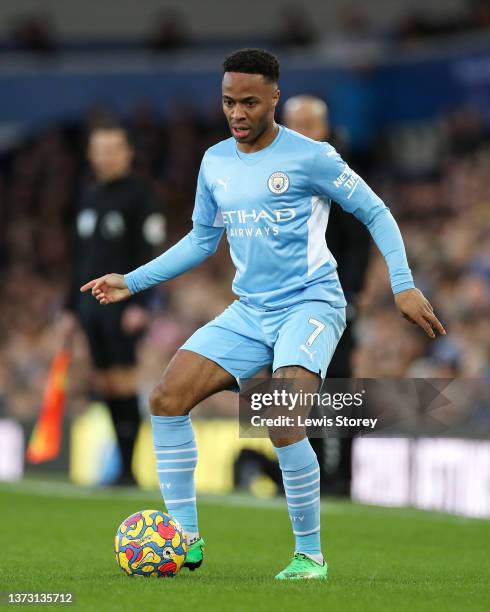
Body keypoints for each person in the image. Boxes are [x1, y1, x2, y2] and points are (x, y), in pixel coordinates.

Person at [81, 49, 445, 580]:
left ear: (275, 97)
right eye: (229, 102)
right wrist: (131, 281)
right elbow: (202, 240)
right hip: (250, 310)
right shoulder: (215, 162)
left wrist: (403, 284)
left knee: (279, 418)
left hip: (311, 303)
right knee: (166, 397)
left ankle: (309, 555)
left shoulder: (311, 156)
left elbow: (375, 210)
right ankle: (185, 540)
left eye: (249, 102)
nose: (237, 113)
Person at [62, 123, 166, 486]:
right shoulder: (88, 196)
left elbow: (149, 252)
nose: (106, 156)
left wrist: (144, 302)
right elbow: (79, 258)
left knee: (123, 379)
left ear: (127, 153)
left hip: (125, 302)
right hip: (90, 306)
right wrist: (69, 308)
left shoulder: (141, 195)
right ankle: (122, 464)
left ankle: (128, 467)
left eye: (113, 149)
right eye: (100, 150)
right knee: (104, 381)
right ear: (91, 155)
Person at [283, 95, 371, 493]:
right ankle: (307, 472)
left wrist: (350, 293)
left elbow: (358, 241)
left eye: (307, 124)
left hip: (332, 299)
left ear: (324, 127)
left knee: (336, 387)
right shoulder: (275, 172)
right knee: (294, 385)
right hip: (285, 301)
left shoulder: (341, 173)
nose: (298, 132)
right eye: (292, 123)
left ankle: (343, 474)